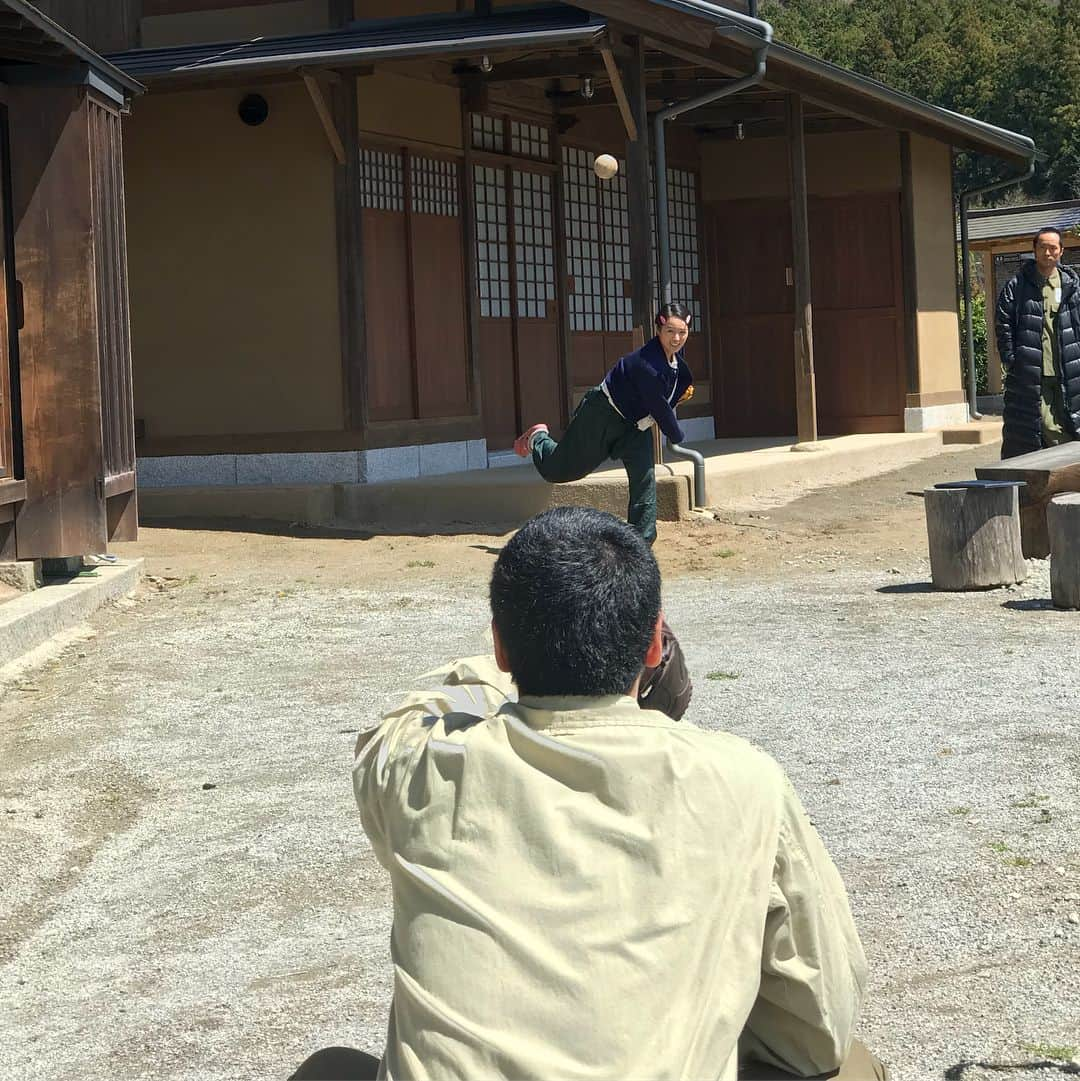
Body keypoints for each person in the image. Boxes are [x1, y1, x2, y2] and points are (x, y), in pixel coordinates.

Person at [290, 507, 887, 1081]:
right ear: (654, 644)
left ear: (500, 646)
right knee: (851, 1067)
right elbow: (819, 1030)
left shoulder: (414, 765)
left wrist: (511, 660)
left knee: (328, 1071)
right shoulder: (746, 780)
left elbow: (419, 713)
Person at [513, 303, 695, 545]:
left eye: (682, 332)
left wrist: (679, 391)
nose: (676, 338)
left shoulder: (673, 357)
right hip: (603, 414)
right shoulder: (646, 364)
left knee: (644, 478)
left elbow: (671, 387)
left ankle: (640, 544)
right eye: (670, 331)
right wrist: (678, 436)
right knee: (560, 470)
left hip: (636, 426)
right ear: (659, 328)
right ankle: (539, 438)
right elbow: (659, 406)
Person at [995, 226, 1080, 458]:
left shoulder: (1072, 286)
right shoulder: (1017, 285)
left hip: (1068, 369)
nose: (1048, 253)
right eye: (1042, 247)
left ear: (1061, 251)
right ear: (1034, 250)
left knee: (1069, 418)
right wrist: (1011, 360)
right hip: (1031, 370)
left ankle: (1063, 473)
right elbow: (1003, 324)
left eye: (1053, 248)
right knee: (1044, 424)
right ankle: (1063, 465)